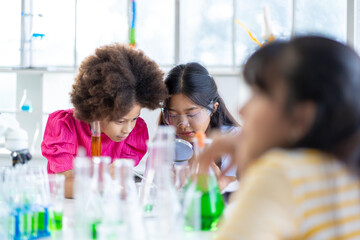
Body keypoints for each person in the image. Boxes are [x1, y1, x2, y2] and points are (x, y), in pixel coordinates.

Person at [199, 36, 360, 239]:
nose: (242, 109)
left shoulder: (282, 174)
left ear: (301, 119)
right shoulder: (343, 172)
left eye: (258, 94)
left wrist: (261, 169)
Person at [41, 44, 168, 198]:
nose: (127, 129)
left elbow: (121, 187)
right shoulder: (64, 126)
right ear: (98, 110)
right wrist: (105, 180)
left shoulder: (135, 134)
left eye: (134, 119)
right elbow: (63, 187)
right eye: (120, 121)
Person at [159, 62, 240, 193]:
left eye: (192, 114)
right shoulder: (165, 145)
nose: (183, 124)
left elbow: (257, 187)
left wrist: (227, 182)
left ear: (213, 108)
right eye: (173, 115)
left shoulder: (234, 140)